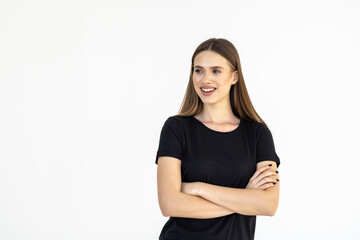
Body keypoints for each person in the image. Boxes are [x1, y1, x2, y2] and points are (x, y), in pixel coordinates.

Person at [155, 38, 281, 240]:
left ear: (234, 77)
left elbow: (268, 205)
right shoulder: (176, 128)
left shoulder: (258, 134)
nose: (205, 79)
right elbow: (170, 204)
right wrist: (245, 199)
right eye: (198, 70)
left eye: (216, 71)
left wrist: (197, 188)